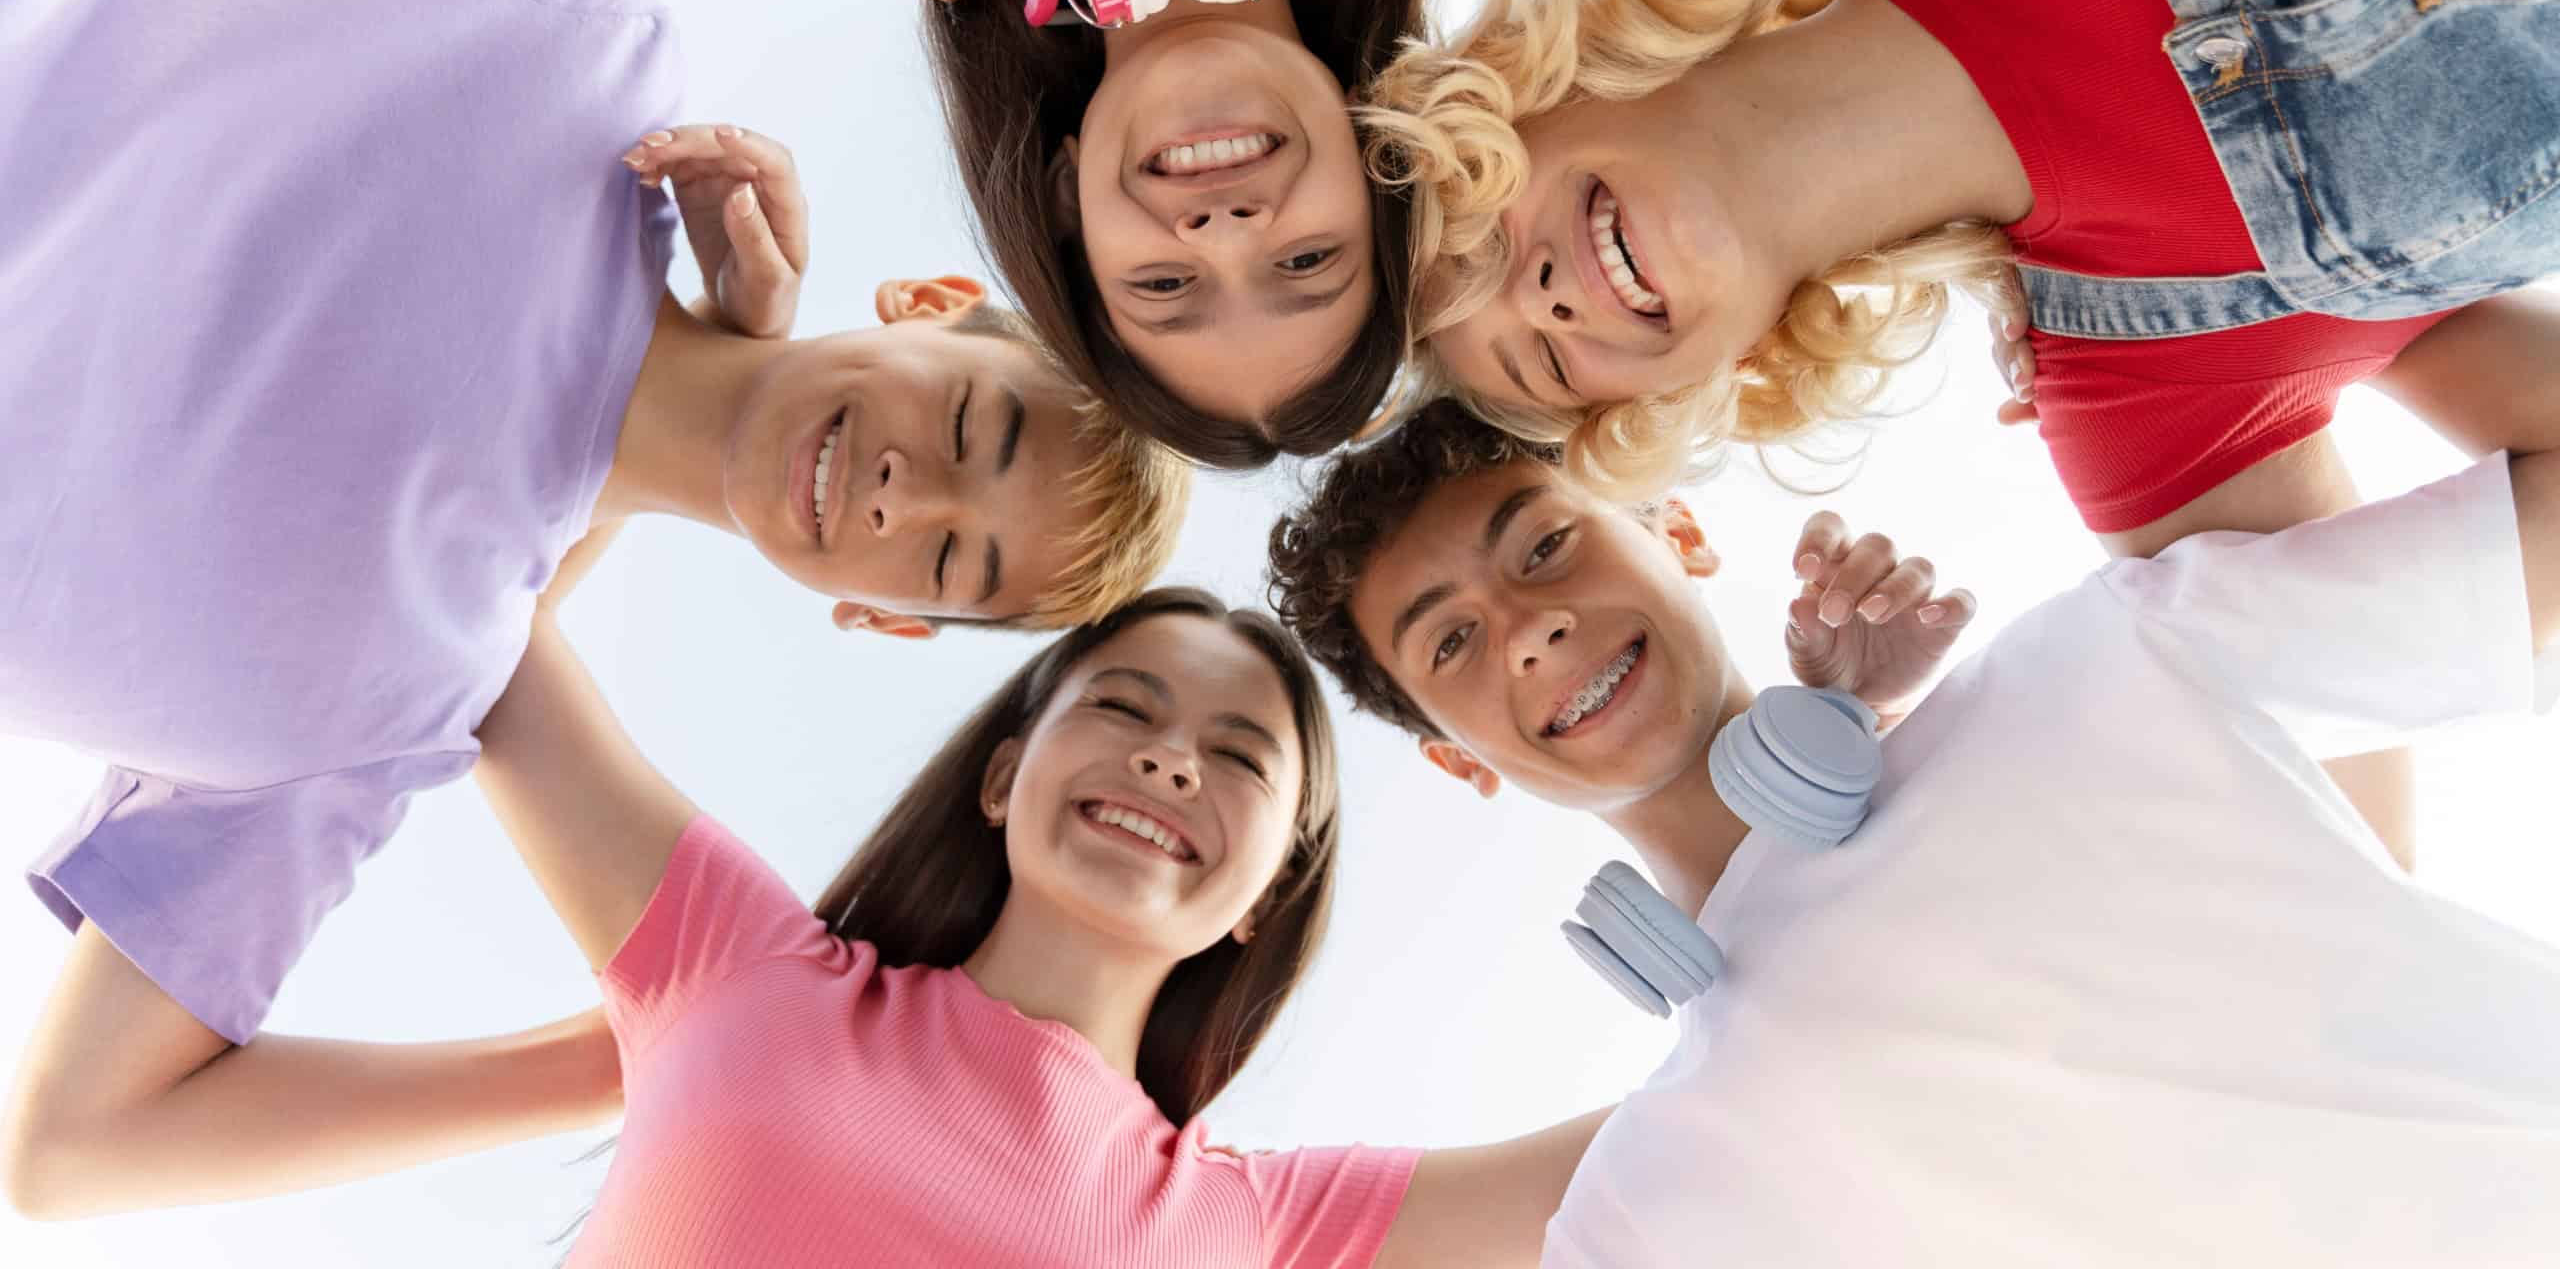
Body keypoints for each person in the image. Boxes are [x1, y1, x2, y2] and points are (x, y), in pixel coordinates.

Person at [0, 0, 1188, 1173]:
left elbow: (75, 1145)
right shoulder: (566, 40)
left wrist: (658, 1047)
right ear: (933, 304)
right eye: (971, 425)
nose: (905, 495)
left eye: (951, 560)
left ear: (882, 618)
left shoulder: (392, 697)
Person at [1357, 0, 2560, 862]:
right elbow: (2352, 848)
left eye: (1482, 234)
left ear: (1530, 90)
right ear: (1672, 398)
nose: (1546, 302)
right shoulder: (2146, 395)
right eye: (1542, 364)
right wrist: (2367, 323)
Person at [1266, 399, 2560, 1265]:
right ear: (1457, 757)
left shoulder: (2097, 664)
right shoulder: (1664, 1193)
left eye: (1546, 545)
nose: (1530, 626)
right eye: (1453, 640)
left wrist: (2118, 356)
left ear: (1679, 528)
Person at [13, 585, 1612, 1269]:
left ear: (1265, 888)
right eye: (1120, 706)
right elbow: (471, 600)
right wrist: (646, 1047)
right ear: (1004, 776)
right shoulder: (744, 973)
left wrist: (1793, 786)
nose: (1169, 755)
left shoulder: (1257, 1226)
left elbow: (1721, 1134)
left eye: (1241, 757)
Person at [561, 0, 1458, 466]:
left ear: (1067, 201)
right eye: (1305, 259)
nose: (1224, 230)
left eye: (1164, 285)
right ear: (1379, 146)